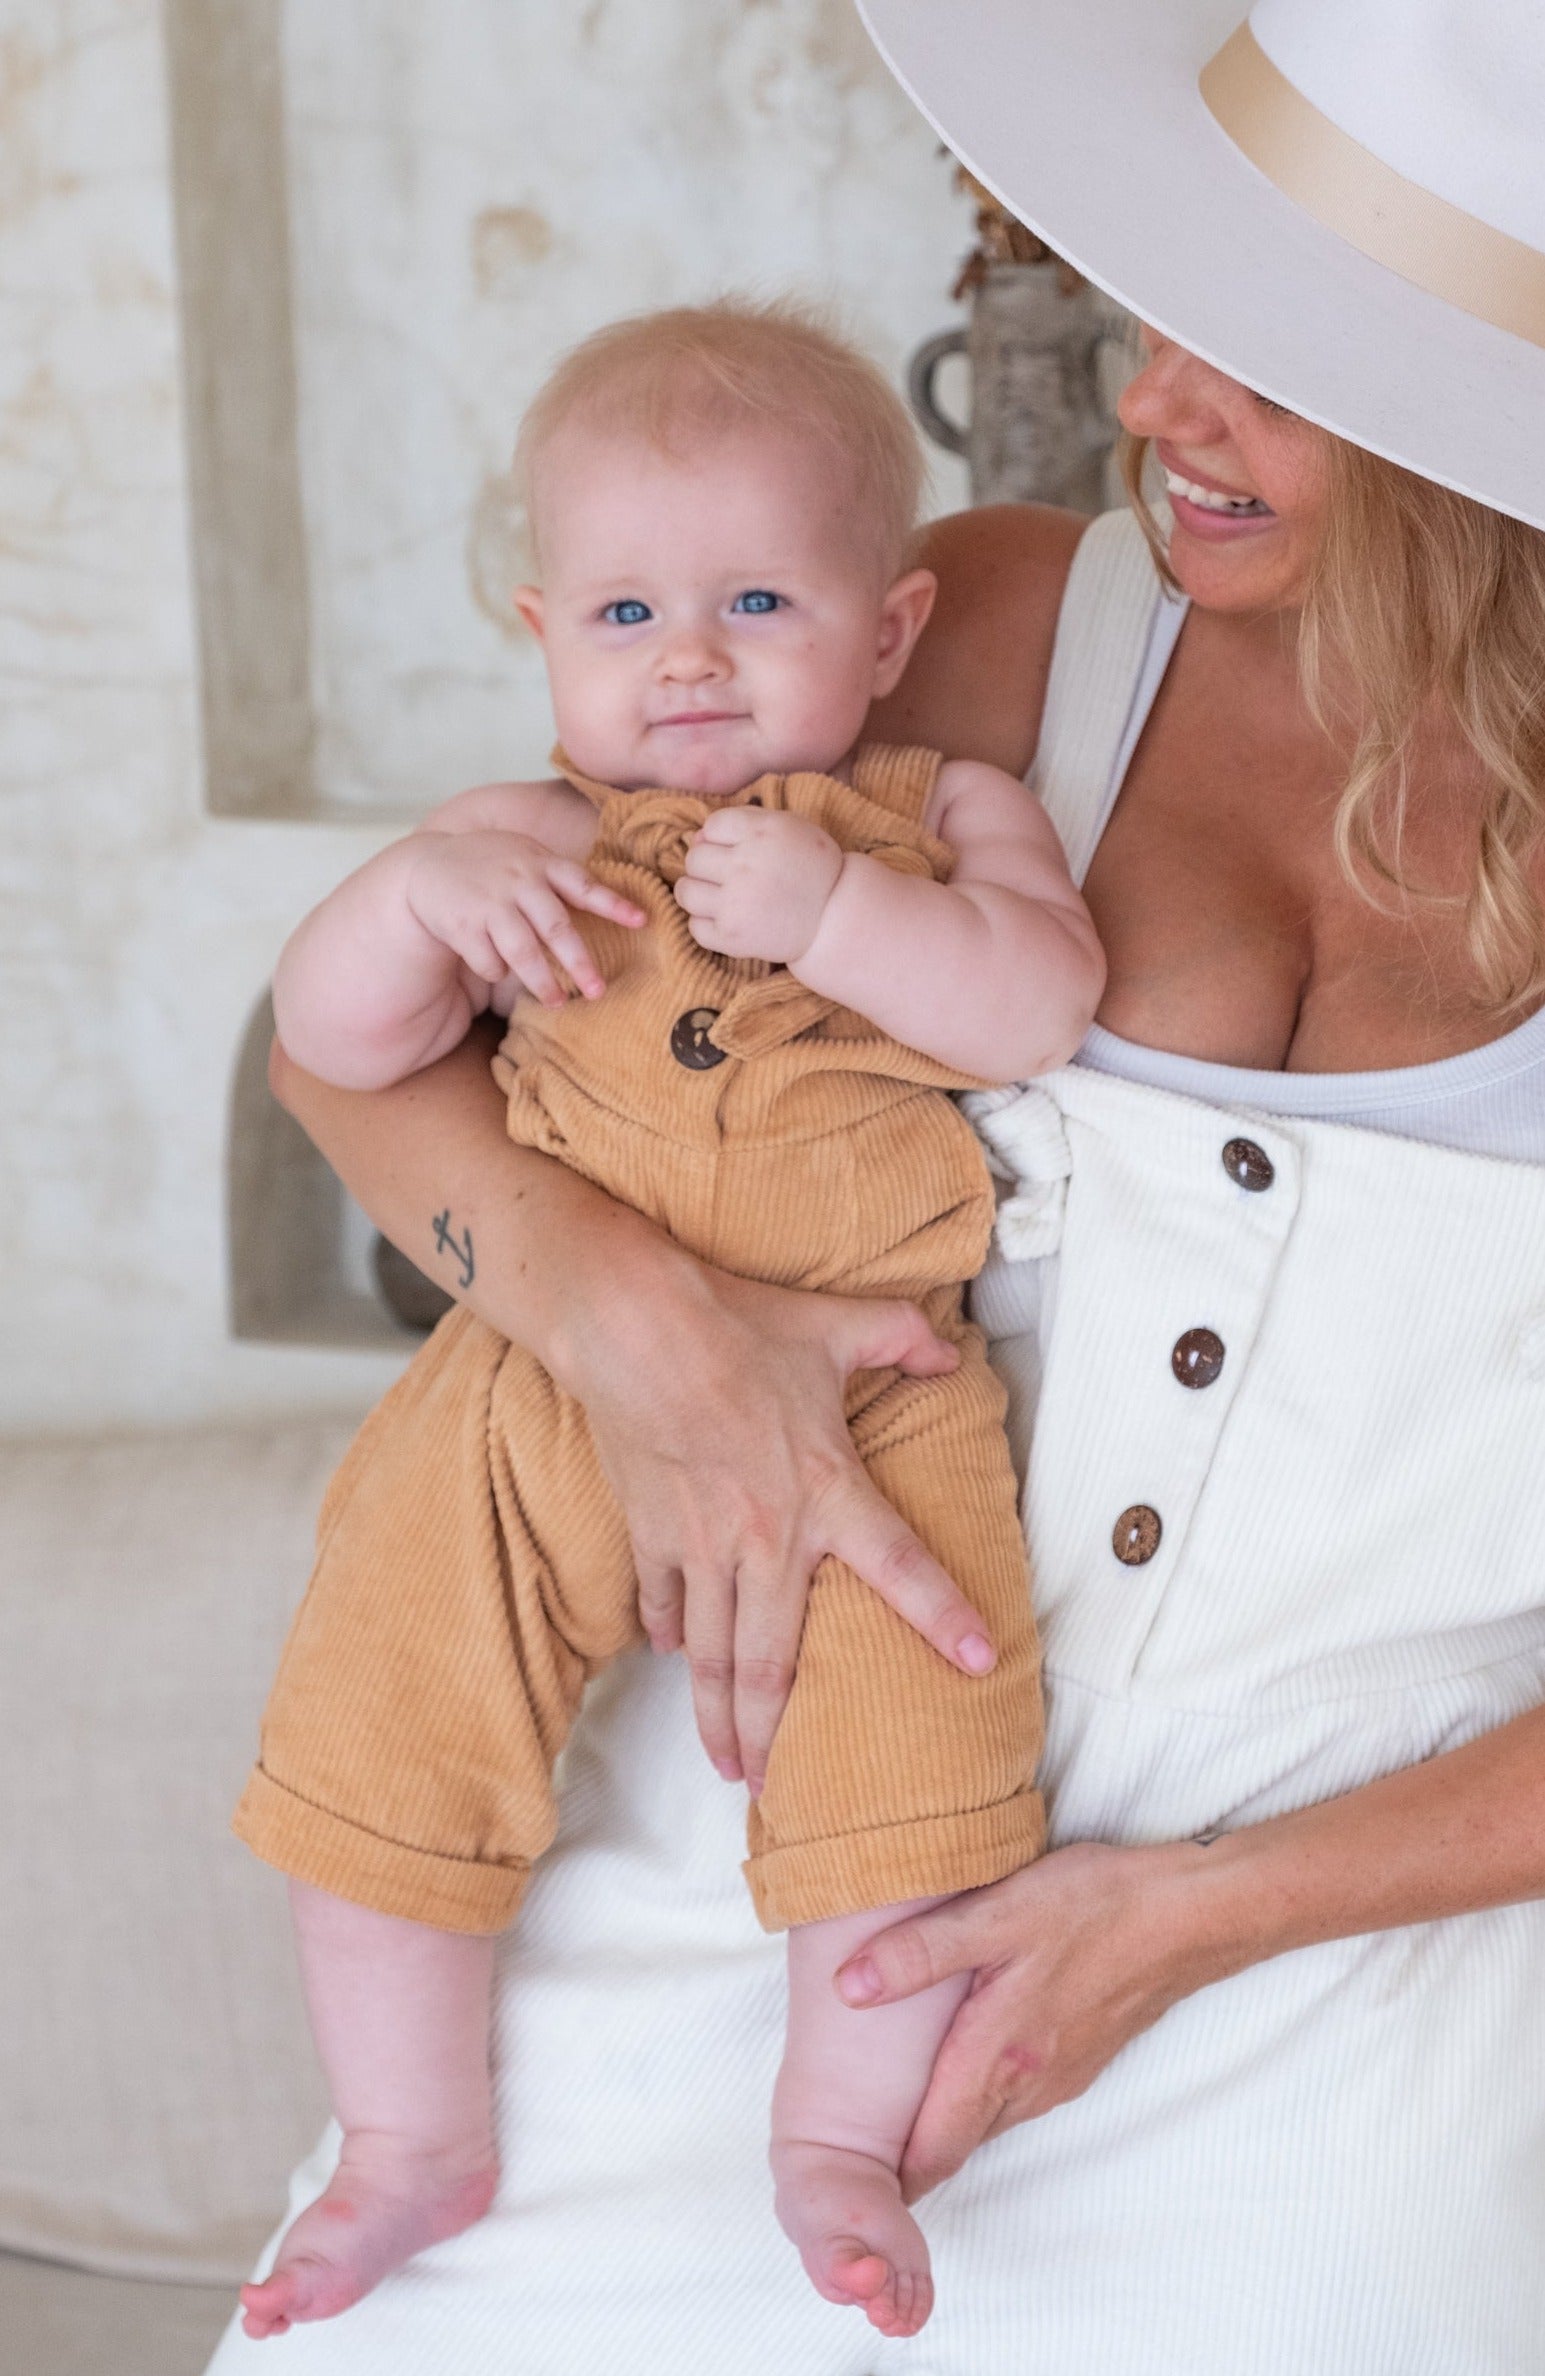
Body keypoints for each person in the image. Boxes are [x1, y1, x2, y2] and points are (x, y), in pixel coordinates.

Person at [208, 0, 1545, 2367]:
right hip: (724, 1863)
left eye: (1272, 353)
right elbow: (384, 1068)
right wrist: (642, 1335)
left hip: (1332, 1993)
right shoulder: (1015, 626)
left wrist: (1186, 1918)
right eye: (1166, 315)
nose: (1151, 405)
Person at [232, 304, 1104, 2345]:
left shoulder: (939, 815)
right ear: (542, 633)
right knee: (382, 1708)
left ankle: (832, 2142)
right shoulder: (517, 844)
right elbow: (331, 1042)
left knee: (920, 1740)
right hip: (526, 1391)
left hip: (879, 1387)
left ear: (884, 635)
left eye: (753, 602)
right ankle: (402, 2136)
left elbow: (1036, 1004)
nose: (686, 656)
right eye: (624, 608)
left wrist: (838, 918)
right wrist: (405, 899)